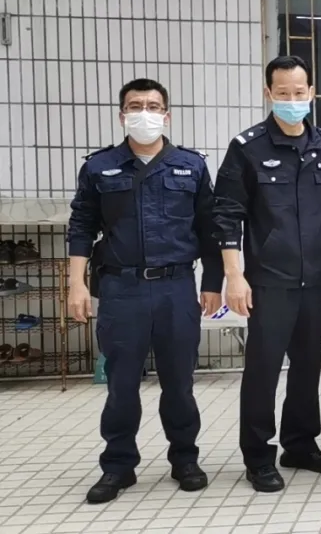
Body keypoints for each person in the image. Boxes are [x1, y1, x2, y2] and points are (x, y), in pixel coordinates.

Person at [67, 78, 224, 503]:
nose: (145, 113)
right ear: (122, 115)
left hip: (176, 288)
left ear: (166, 115)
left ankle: (184, 459)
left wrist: (212, 284)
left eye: (153, 106)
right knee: (121, 384)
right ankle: (118, 466)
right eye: (135, 106)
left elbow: (209, 229)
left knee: (179, 382)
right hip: (121, 289)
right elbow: (81, 226)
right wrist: (76, 284)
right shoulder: (100, 167)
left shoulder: (190, 166)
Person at [213, 56, 321, 492]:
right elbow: (227, 215)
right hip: (268, 280)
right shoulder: (247, 148)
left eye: (299, 92)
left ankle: (300, 445)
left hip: (315, 278)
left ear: (312, 92)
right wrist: (234, 276)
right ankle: (257, 456)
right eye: (283, 93)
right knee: (263, 371)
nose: (292, 99)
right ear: (268, 93)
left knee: (307, 367)